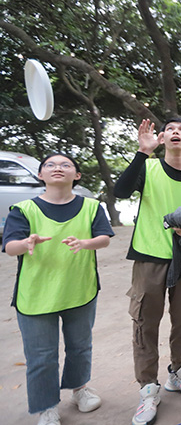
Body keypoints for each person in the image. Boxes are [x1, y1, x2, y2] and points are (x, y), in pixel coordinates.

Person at [114, 118, 181, 425]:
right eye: (170, 129)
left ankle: (178, 373)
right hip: (150, 256)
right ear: (161, 138)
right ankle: (148, 389)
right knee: (145, 323)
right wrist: (141, 153)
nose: (175, 132)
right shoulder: (148, 167)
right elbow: (120, 193)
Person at [2, 153, 114, 425]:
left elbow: (104, 238)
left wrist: (86, 243)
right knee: (41, 356)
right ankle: (47, 406)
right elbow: (9, 247)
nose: (57, 168)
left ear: (76, 175)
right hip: (36, 294)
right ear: (40, 175)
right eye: (49, 165)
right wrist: (26, 243)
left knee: (79, 347)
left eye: (66, 165)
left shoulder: (91, 206)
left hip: (79, 289)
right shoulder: (23, 209)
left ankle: (79, 390)